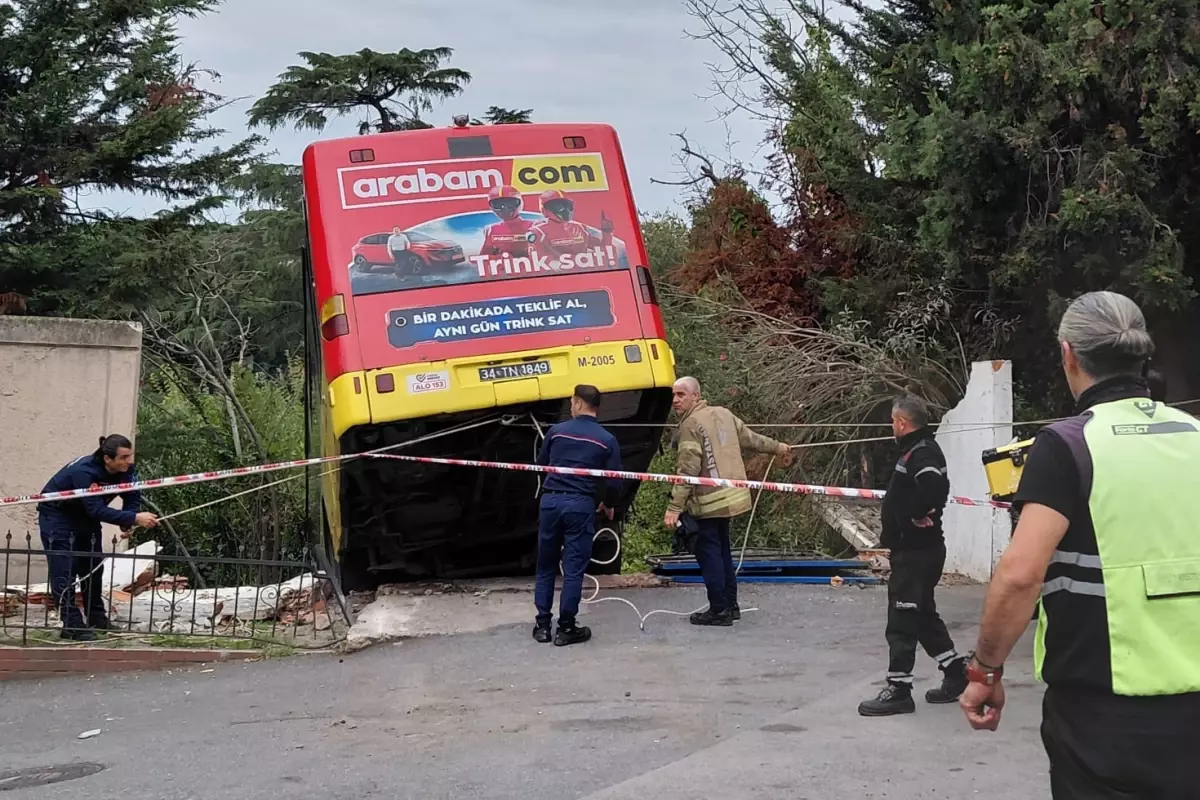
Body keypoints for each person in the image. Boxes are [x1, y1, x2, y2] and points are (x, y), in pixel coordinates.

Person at [960, 291, 1200, 798]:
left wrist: (985, 669)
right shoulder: (1195, 435)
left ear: (1068, 353)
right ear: (1142, 354)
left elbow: (1020, 576)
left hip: (1104, 718)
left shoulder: (1067, 445)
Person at [858, 394, 967, 716]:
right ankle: (955, 671)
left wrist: (914, 514)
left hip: (918, 552)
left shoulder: (922, 453)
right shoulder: (914, 451)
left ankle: (899, 689)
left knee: (903, 619)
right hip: (914, 550)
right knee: (922, 616)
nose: (892, 426)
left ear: (902, 423)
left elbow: (934, 486)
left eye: (893, 421)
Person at [663, 376, 792, 626]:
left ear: (696, 397)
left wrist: (674, 508)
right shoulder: (724, 414)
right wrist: (778, 447)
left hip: (709, 503)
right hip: (733, 498)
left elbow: (687, 470)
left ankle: (719, 610)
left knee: (710, 554)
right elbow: (752, 440)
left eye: (681, 395)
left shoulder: (690, 424)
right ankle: (730, 606)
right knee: (723, 553)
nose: (675, 400)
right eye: (674, 395)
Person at [36, 435, 159, 640]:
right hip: (58, 516)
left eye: (130, 456)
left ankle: (96, 617)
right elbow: (95, 509)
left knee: (93, 567)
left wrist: (127, 520)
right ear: (107, 459)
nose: (129, 461)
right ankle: (72, 625)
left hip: (85, 516)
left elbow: (131, 495)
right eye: (124, 457)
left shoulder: (127, 469)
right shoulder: (83, 472)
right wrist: (135, 518)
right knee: (64, 570)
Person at [532, 385, 622, 647]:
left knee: (546, 565)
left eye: (572, 402)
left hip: (550, 502)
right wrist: (608, 504)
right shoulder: (607, 439)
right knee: (573, 569)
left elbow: (540, 465)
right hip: (580, 505)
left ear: (579, 403)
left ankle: (542, 626)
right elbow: (614, 481)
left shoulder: (557, 432)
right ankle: (566, 628)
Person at [530, 190, 614, 258]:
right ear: (544, 210)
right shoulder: (538, 232)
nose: (566, 210)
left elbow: (603, 252)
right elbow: (536, 262)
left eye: (568, 206)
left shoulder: (580, 228)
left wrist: (607, 233)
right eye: (559, 207)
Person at [481, 185, 535, 258]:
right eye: (498, 204)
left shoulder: (534, 225)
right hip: (503, 267)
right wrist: (500, 257)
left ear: (520, 202)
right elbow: (482, 258)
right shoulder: (491, 229)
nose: (504, 208)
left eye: (509, 203)